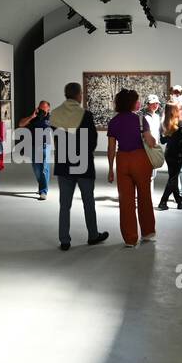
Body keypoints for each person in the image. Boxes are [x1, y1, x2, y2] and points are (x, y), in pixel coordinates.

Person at [49, 82, 109, 251]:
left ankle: (64, 240)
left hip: (64, 164)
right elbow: (92, 141)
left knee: (64, 204)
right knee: (88, 201)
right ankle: (93, 235)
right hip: (83, 164)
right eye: (81, 93)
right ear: (78, 95)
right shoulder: (86, 115)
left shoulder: (55, 114)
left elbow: (56, 138)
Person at [106, 88, 159, 247]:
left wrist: (110, 169)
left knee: (126, 201)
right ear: (131, 103)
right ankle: (148, 232)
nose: (139, 102)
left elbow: (110, 148)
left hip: (122, 160)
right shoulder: (141, 120)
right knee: (144, 197)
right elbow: (150, 142)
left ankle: (130, 238)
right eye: (137, 100)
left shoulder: (113, 121)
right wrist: (153, 141)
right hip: (140, 159)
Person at [18, 100, 53, 200]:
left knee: (44, 168)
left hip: (45, 145)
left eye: (43, 108)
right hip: (33, 146)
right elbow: (21, 124)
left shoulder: (51, 118)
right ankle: (42, 185)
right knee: (36, 169)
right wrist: (32, 116)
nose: (41, 110)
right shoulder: (34, 117)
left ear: (48, 108)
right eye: (40, 107)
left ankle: (43, 191)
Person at [156, 104, 182, 211]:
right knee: (173, 178)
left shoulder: (164, 123)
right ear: (175, 110)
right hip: (178, 154)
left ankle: (179, 202)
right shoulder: (180, 122)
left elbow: (163, 141)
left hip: (169, 153)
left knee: (173, 177)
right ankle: (163, 201)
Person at [142, 94, 162, 198]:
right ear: (148, 105)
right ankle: (145, 195)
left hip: (155, 147)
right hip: (146, 147)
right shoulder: (144, 118)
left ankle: (149, 194)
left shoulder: (158, 117)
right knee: (146, 173)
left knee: (153, 173)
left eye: (156, 103)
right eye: (152, 103)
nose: (155, 105)